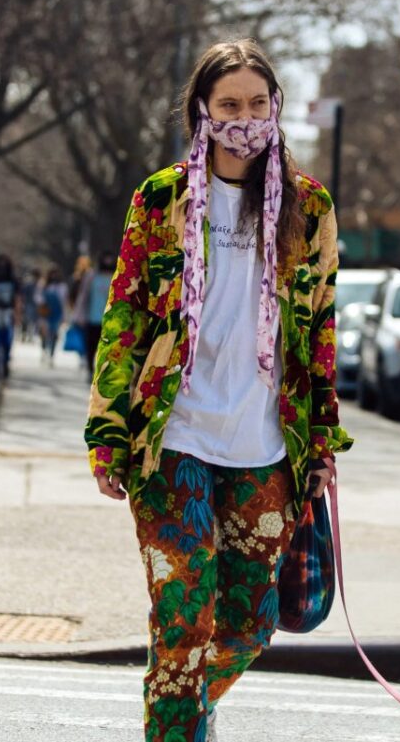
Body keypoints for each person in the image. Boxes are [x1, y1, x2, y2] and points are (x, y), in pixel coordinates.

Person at [85, 39, 352, 742]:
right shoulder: (162, 199)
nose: (245, 117)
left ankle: (183, 711)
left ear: (276, 109)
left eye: (258, 103)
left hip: (265, 445)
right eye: (229, 103)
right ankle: (177, 725)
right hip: (173, 437)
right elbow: (126, 319)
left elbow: (321, 329)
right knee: (183, 622)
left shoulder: (310, 207)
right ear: (201, 109)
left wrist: (321, 438)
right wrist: (107, 430)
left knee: (248, 621)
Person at [73, 251, 117, 380]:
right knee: (91, 346)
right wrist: (79, 314)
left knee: (107, 348)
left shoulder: (117, 275)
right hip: (92, 318)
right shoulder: (91, 276)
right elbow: (83, 295)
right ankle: (90, 370)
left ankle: (103, 372)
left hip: (111, 319)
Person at [38, 266, 67, 366]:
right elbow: (38, 298)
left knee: (54, 335)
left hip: (56, 313)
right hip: (45, 313)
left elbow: (63, 302)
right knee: (44, 334)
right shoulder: (44, 285)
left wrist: (64, 315)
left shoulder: (62, 286)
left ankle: (51, 355)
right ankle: (44, 350)